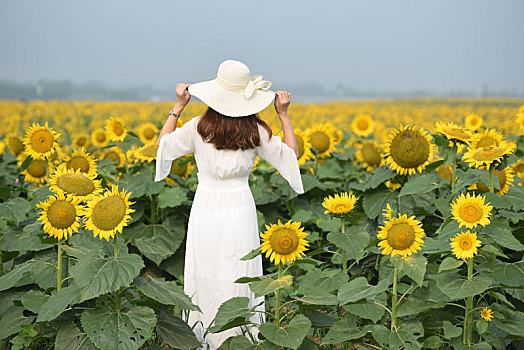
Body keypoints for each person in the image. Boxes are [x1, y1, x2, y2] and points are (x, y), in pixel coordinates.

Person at [154, 59, 304, 349]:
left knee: (205, 270)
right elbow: (290, 157)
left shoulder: (198, 127)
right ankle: (242, 339)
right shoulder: (256, 130)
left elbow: (164, 146)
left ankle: (204, 337)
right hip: (240, 207)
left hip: (206, 205)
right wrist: (283, 115)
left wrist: (177, 108)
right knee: (239, 271)